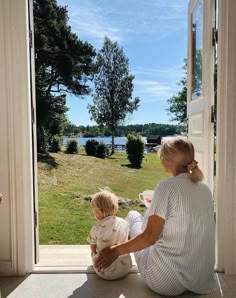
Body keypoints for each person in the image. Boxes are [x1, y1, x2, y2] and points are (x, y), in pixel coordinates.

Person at [95, 137, 220, 296]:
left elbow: (149, 238)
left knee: (134, 216)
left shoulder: (166, 187)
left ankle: (118, 261)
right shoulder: (205, 189)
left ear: (167, 160)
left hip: (166, 281)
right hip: (201, 278)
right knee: (153, 221)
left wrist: (114, 251)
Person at [87, 190, 132, 280]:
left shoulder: (97, 227)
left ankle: (97, 264)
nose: (93, 214)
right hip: (125, 268)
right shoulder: (124, 223)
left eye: (94, 211)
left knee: (93, 252)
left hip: (104, 272)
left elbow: (93, 247)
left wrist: (94, 253)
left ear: (101, 212)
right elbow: (129, 238)